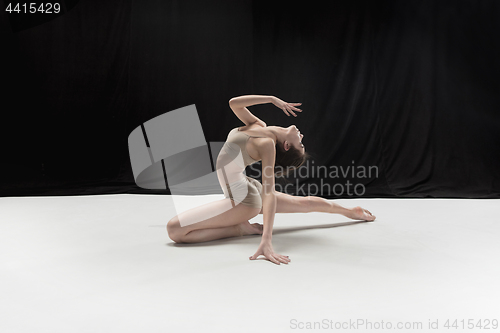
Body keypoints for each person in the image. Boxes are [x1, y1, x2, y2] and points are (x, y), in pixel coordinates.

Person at [167, 95, 376, 265]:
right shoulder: (257, 125)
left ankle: (239, 228)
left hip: (244, 200)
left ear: (286, 146)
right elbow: (233, 103)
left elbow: (269, 194)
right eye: (303, 144)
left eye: (301, 144)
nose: (302, 138)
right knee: (305, 203)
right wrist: (271, 99)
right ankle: (350, 211)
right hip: (247, 186)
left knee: (175, 231)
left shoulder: (266, 143)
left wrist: (267, 240)